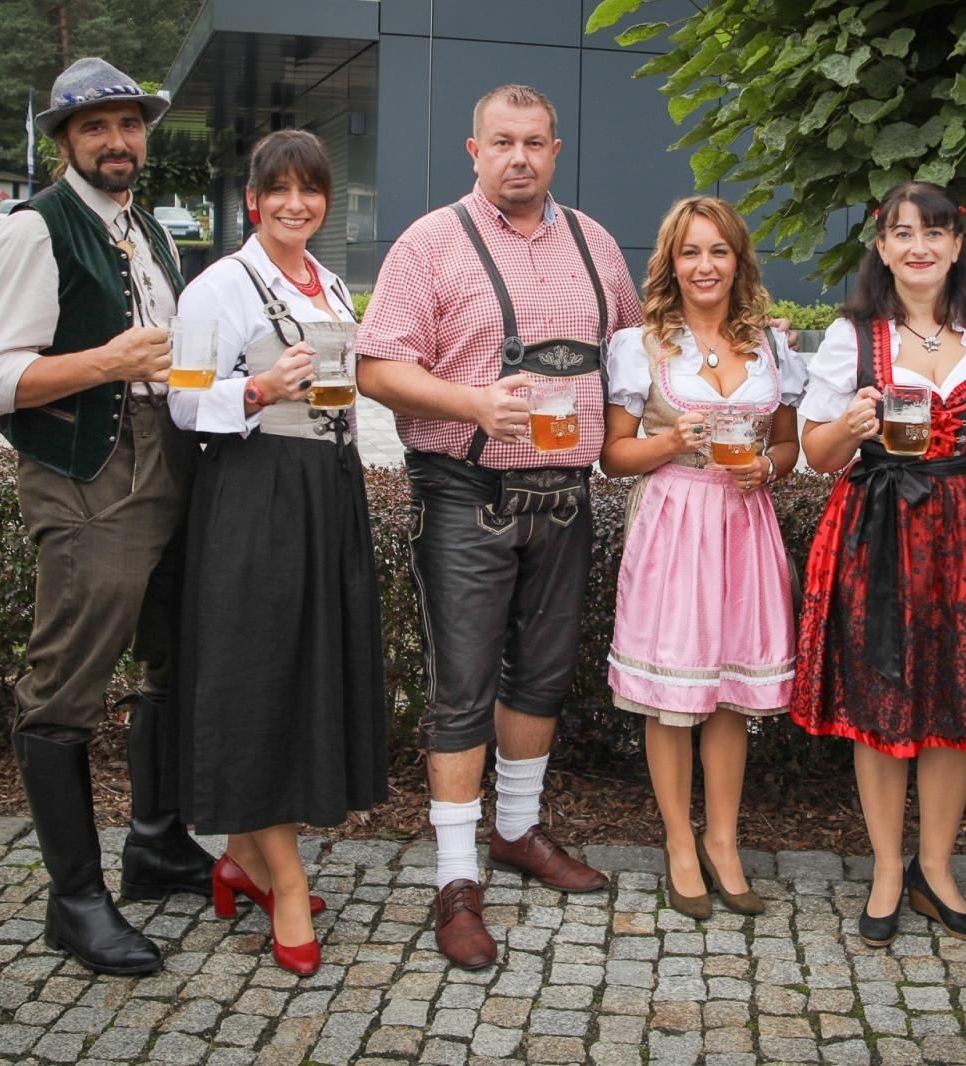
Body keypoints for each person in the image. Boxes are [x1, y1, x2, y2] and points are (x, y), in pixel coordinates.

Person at [355, 84, 642, 969]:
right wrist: (473, 401)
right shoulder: (430, 243)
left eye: (535, 143)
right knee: (462, 686)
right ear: (474, 152)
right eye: (502, 143)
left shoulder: (596, 244)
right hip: (464, 491)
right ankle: (454, 879)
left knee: (544, 676)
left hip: (565, 494)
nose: (519, 157)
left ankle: (517, 830)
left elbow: (632, 353)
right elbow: (374, 368)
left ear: (556, 151)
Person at [0, 57, 212, 975]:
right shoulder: (33, 230)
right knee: (64, 686)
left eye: (129, 124)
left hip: (170, 455)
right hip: (87, 474)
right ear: (64, 141)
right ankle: (74, 899)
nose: (117, 141)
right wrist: (107, 361)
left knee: (171, 657)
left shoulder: (148, 227)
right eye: (96, 127)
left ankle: (155, 841)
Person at [791, 181, 966, 951]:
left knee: (958, 703)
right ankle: (888, 869)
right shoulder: (851, 336)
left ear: (958, 245)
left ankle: (937, 867)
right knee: (882, 700)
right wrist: (850, 425)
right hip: (880, 528)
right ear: (882, 247)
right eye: (902, 233)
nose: (919, 246)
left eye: (934, 232)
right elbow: (814, 454)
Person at [170, 129, 388, 977]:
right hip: (255, 490)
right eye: (280, 190)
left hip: (325, 488)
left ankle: (242, 855)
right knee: (257, 675)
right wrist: (259, 388)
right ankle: (284, 885)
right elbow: (185, 403)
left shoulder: (328, 281)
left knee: (300, 674)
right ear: (254, 199)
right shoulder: (220, 286)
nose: (297, 204)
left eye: (313, 189)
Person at [600, 196, 805, 920]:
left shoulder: (771, 345)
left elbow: (788, 443)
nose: (705, 265)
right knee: (673, 696)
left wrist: (770, 470)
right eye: (690, 252)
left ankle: (723, 840)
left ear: (737, 260)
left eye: (718, 251)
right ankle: (679, 843)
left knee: (729, 694)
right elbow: (612, 457)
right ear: (671, 263)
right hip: (675, 519)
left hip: (744, 523)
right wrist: (669, 441)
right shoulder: (641, 344)